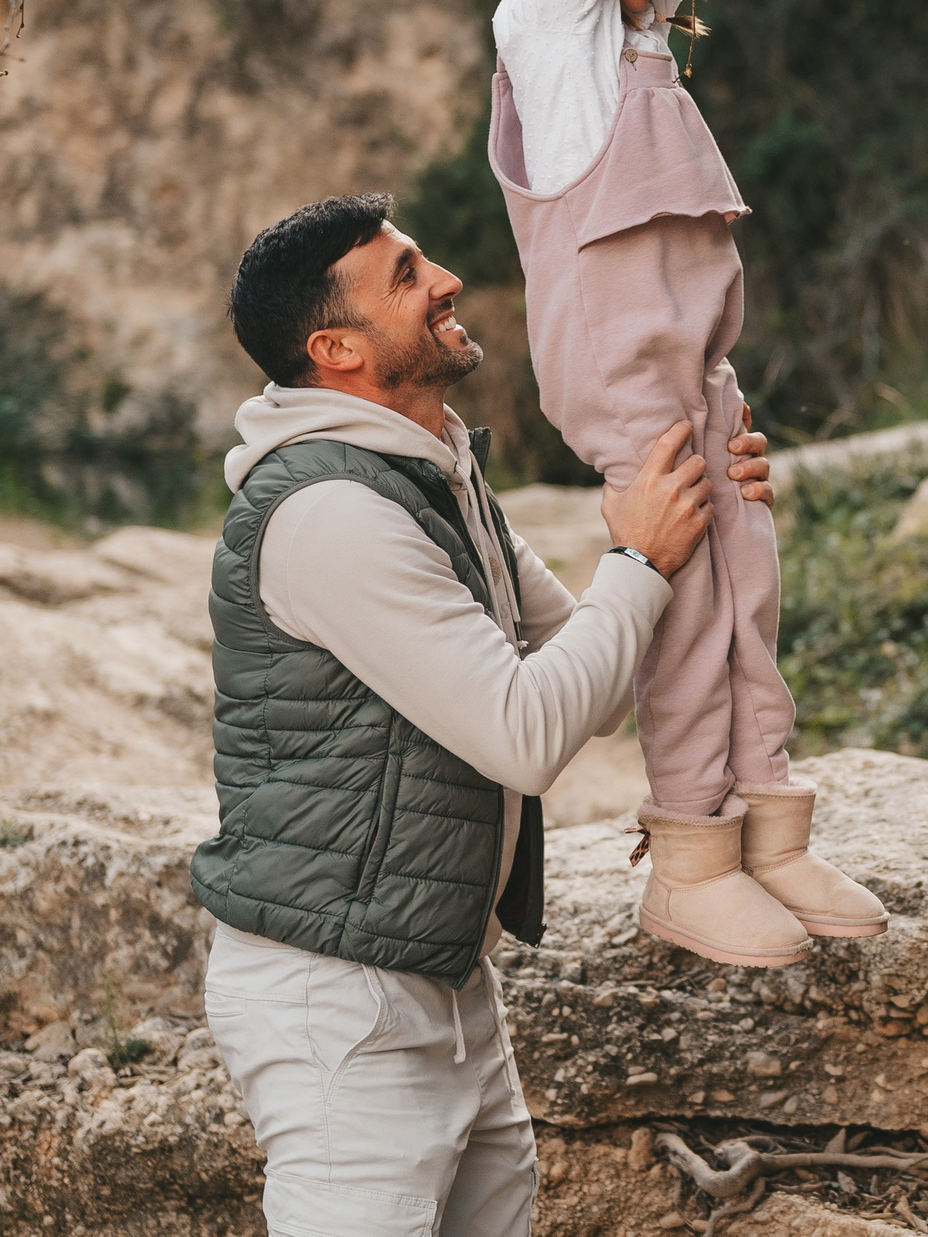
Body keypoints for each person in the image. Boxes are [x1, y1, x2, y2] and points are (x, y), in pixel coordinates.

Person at [190, 193, 777, 1237]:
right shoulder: (331, 515)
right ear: (337, 348)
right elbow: (528, 731)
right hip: (343, 1008)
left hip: (446, 979)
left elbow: (583, 666)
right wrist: (639, 557)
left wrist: (712, 518)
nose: (446, 280)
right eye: (407, 276)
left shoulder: (433, 471)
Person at [487, 0, 887, 967]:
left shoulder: (645, 46)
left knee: (747, 575)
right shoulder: (548, 31)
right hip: (617, 371)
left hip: (695, 367)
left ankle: (768, 826)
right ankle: (687, 847)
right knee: (684, 598)